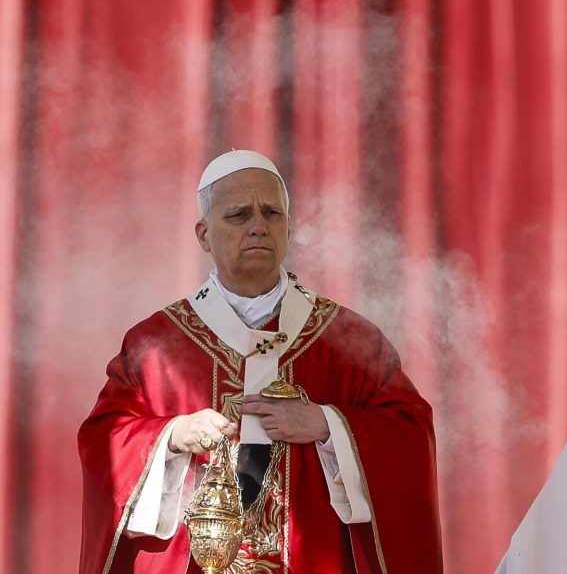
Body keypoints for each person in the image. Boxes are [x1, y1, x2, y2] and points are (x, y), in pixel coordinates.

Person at [78, 150, 442, 573]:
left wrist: (327, 424)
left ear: (288, 228)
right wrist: (174, 434)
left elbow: (410, 431)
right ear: (203, 235)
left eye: (272, 213)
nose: (258, 227)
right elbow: (103, 438)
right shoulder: (156, 343)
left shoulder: (348, 340)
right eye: (238, 215)